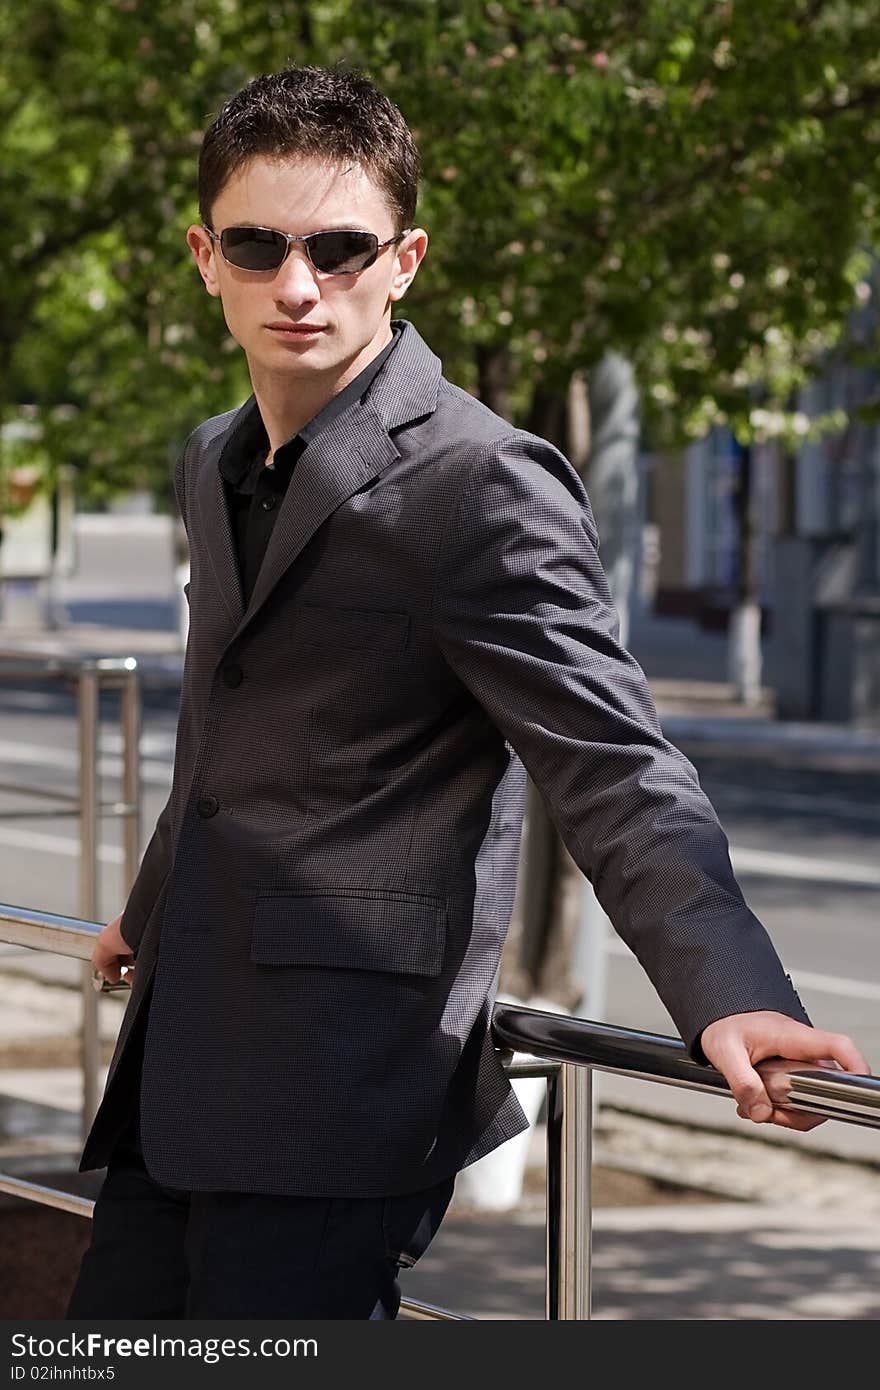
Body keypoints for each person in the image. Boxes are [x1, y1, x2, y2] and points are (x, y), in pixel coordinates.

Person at [67, 64, 868, 1321]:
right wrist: (154, 903)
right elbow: (235, 728)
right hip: (181, 1061)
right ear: (202, 255)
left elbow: (616, 769)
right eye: (258, 244)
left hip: (340, 1091)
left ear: (405, 259)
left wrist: (736, 994)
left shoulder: (481, 482)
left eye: (339, 248)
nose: (296, 285)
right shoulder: (211, 458)